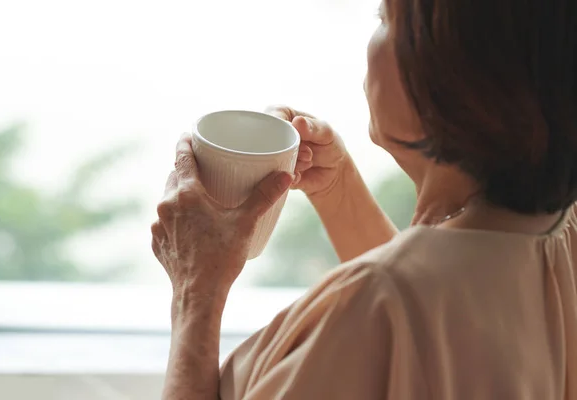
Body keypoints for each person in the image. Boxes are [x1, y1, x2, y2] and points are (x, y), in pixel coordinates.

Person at [151, 0, 577, 398]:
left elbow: (394, 310)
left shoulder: (365, 310)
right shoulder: (558, 236)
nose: (371, 38)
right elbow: (428, 321)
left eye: (384, 17)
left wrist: (196, 291)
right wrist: (338, 192)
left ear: (449, 72)